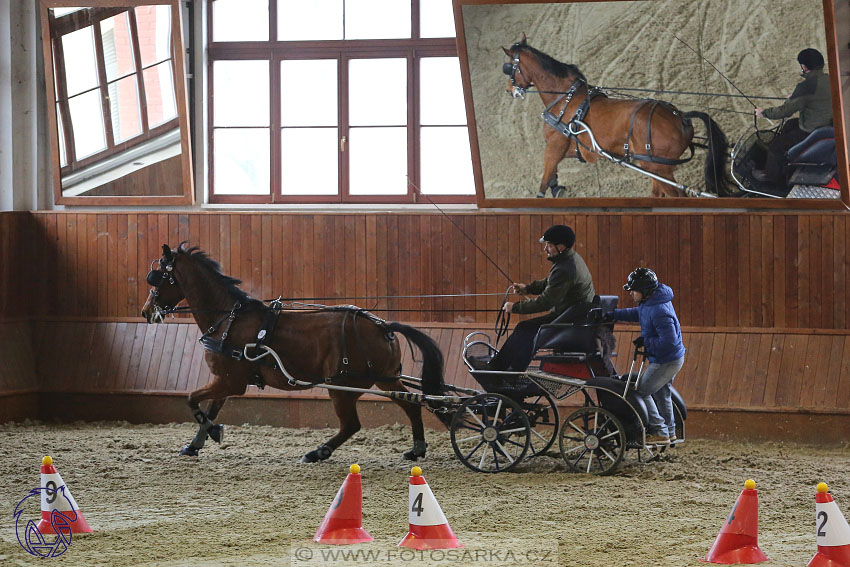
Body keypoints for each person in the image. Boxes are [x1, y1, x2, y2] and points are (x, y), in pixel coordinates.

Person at [486, 224, 595, 371]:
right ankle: (512, 369)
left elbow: (546, 302)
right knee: (529, 329)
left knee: (524, 328)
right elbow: (549, 282)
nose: (545, 249)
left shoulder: (565, 269)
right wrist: (528, 288)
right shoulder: (569, 259)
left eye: (549, 245)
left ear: (560, 247)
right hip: (572, 316)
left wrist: (515, 307)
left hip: (569, 320)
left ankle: (500, 370)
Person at [609, 268, 685, 445]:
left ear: (644, 291)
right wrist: (612, 315)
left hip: (665, 361)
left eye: (633, 290)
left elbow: (669, 342)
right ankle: (670, 431)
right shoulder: (651, 302)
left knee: (641, 391)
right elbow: (637, 313)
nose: (631, 294)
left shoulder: (659, 311)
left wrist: (647, 341)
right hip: (668, 359)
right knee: (662, 394)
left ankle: (660, 431)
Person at [753, 48, 833, 185]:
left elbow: (785, 111)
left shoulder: (806, 86)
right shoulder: (830, 79)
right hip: (827, 123)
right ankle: (788, 158)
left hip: (812, 130)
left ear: (804, 67)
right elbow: (816, 99)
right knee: (790, 124)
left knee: (775, 147)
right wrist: (795, 97)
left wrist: (764, 112)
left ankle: (770, 177)